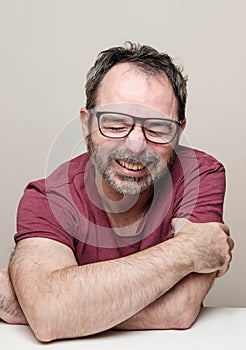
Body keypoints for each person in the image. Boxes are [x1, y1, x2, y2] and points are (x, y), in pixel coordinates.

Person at [1, 42, 233, 342]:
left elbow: (180, 309)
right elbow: (47, 317)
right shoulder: (45, 198)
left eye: (159, 128)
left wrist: (62, 309)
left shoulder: (201, 174)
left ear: (179, 131)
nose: (135, 145)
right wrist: (188, 251)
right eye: (114, 123)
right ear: (86, 124)